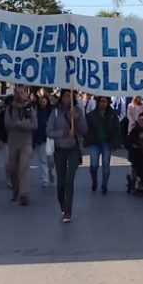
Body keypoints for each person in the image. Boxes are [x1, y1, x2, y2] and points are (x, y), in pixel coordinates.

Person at [46, 89, 87, 223]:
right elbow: (49, 131)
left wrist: (77, 118)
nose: (66, 99)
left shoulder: (78, 111)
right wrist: (63, 132)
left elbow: (84, 130)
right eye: (64, 97)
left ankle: (68, 212)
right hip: (59, 149)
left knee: (70, 180)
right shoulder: (56, 112)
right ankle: (62, 203)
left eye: (69, 97)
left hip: (73, 149)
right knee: (61, 182)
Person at [4, 86, 38, 205]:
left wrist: (21, 124)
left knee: (24, 168)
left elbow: (34, 126)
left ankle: (24, 193)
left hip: (26, 143)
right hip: (13, 143)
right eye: (17, 93)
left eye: (21, 93)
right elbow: (7, 124)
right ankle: (15, 188)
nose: (19, 95)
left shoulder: (30, 109)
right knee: (12, 168)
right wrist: (19, 124)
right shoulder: (9, 109)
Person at [84, 96, 121, 194]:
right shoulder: (91, 115)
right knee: (94, 164)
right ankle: (94, 181)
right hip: (94, 142)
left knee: (106, 164)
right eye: (101, 101)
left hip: (107, 142)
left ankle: (104, 185)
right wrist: (86, 139)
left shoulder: (112, 115)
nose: (103, 104)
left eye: (105, 102)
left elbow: (117, 129)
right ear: (98, 102)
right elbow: (86, 128)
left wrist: (115, 142)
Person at [33, 96, 52, 187]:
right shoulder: (36, 112)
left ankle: (51, 171)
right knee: (43, 160)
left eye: (44, 100)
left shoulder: (52, 112)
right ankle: (44, 179)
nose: (43, 101)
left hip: (51, 138)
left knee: (51, 160)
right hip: (41, 138)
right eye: (41, 100)